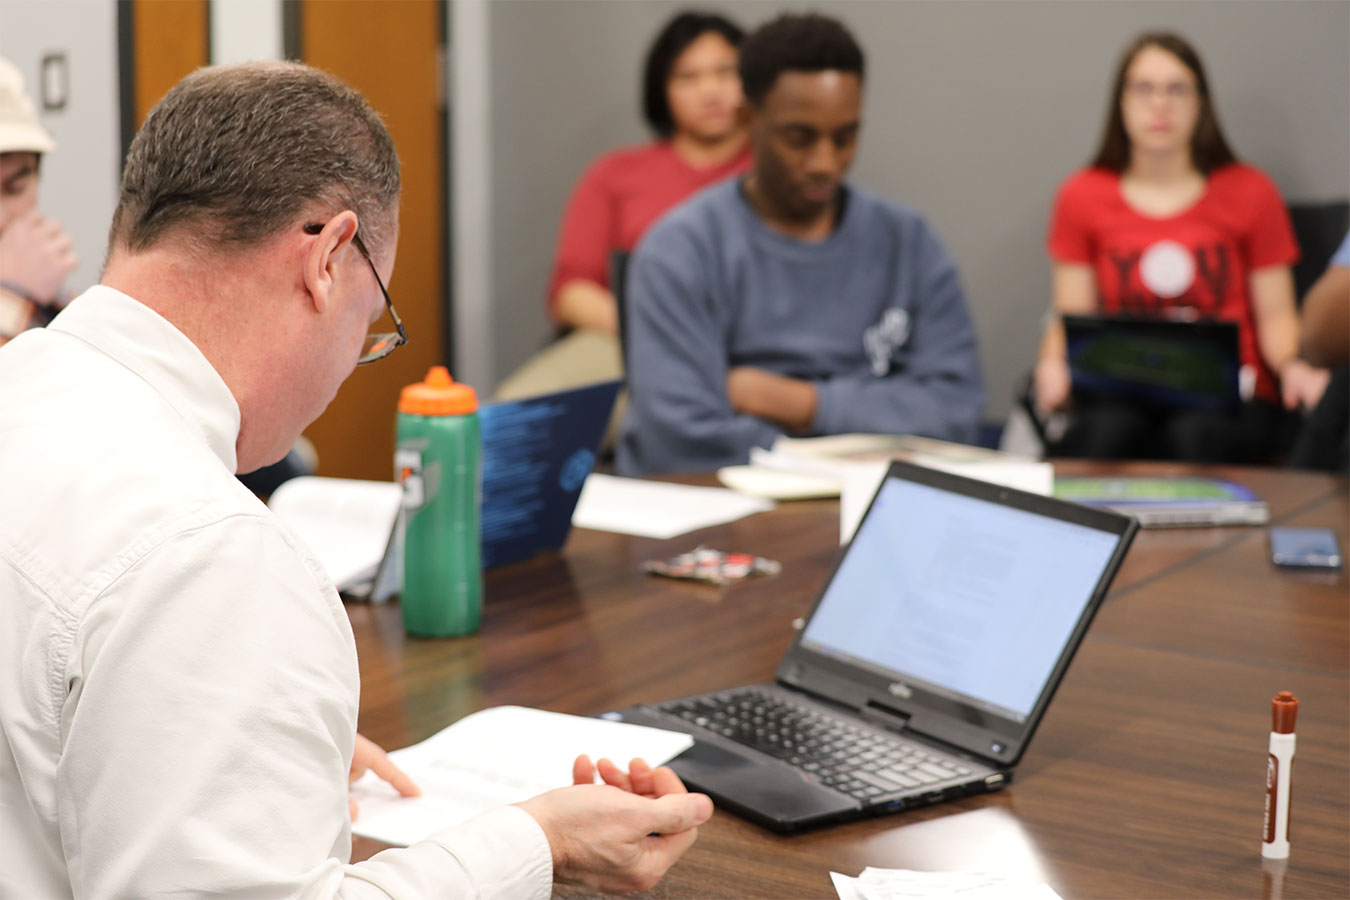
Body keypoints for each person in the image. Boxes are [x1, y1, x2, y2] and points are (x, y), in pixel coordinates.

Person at [0, 61, 710, 898]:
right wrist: (536, 843)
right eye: (372, 320)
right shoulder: (212, 556)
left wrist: (239, 757)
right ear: (330, 258)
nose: (354, 360)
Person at [616, 12, 983, 476]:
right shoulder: (681, 249)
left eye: (845, 138)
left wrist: (796, 402)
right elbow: (680, 438)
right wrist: (863, 438)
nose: (824, 163)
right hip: (722, 515)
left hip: (874, 507)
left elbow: (955, 411)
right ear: (747, 119)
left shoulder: (909, 241)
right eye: (799, 139)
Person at [1033, 32, 1329, 462]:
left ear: (1200, 103)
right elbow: (1069, 313)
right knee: (1104, 435)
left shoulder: (1251, 192)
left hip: (1230, 393)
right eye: (1144, 89)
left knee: (1196, 438)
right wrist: (1052, 364)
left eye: (1177, 89)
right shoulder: (1082, 195)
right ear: (1122, 103)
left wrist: (1294, 366)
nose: (1160, 105)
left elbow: (1277, 316)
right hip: (1121, 386)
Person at [494, 9, 749, 406]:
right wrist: (653, 330)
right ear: (661, 88)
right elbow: (571, 291)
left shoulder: (777, 178)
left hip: (746, 355)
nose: (710, 91)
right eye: (688, 77)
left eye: (724, 72)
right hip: (626, 344)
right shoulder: (616, 174)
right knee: (515, 416)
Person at [0, 55, 77, 347]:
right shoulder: (23, 288)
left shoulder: (53, 304)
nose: (2, 218)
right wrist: (13, 292)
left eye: (15, 188)